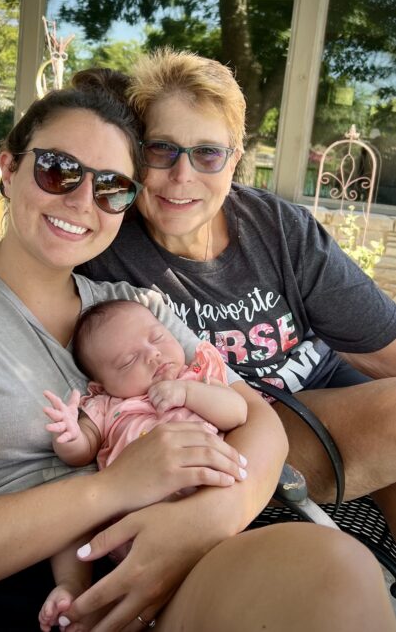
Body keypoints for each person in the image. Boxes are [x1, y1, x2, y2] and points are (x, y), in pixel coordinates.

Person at [0, 73, 394, 632]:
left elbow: (256, 416)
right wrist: (113, 487)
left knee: (337, 575)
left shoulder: (132, 302)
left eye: (111, 187)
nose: (82, 201)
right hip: (49, 591)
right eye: (58, 170)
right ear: (8, 168)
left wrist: (210, 516)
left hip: (185, 551)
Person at [78, 49, 396, 543]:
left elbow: (383, 346)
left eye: (207, 153)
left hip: (343, 392)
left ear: (234, 162)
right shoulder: (107, 249)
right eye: (162, 149)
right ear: (136, 155)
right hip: (245, 424)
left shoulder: (277, 228)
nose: (183, 177)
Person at [40, 298, 248, 630]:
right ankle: (72, 588)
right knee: (69, 520)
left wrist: (186, 394)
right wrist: (68, 434)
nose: (153, 355)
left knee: (213, 585)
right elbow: (81, 452)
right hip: (130, 524)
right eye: (128, 361)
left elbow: (237, 412)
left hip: (207, 510)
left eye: (157, 338)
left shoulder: (195, 379)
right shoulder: (108, 405)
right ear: (101, 386)